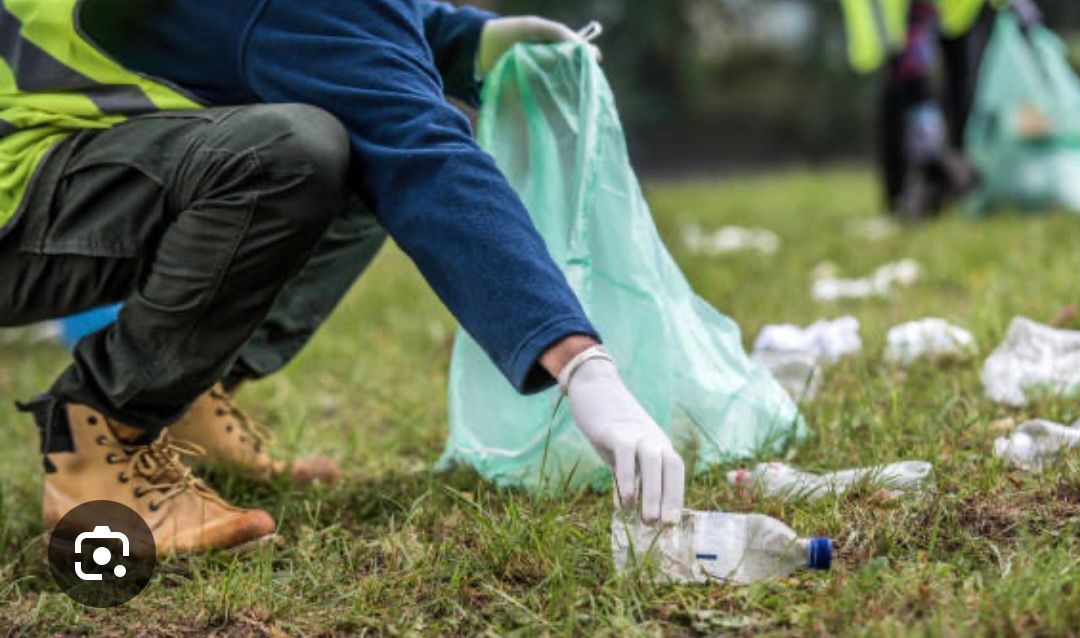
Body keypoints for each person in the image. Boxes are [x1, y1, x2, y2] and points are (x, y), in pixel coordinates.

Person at [0, 0, 684, 555]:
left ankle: (185, 401)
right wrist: (579, 364)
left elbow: (334, 27)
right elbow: (418, 148)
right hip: (15, 205)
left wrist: (469, 37)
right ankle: (100, 435)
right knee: (292, 152)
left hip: (41, 171)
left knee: (340, 140)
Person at [841, 0, 1030, 219]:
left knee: (956, 85)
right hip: (904, 11)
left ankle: (947, 181)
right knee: (906, 86)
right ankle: (913, 189)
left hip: (954, 9)